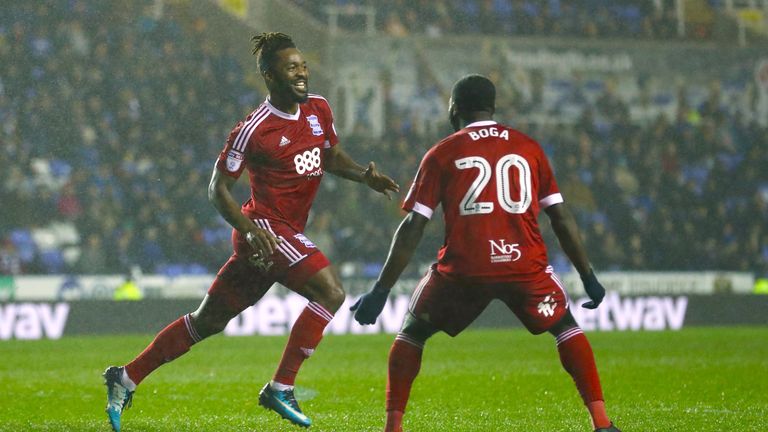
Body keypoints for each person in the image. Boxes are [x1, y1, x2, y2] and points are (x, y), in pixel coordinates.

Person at [103, 32, 399, 431]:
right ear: (269, 76)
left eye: (303, 66)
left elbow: (329, 156)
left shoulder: (318, 109)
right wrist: (247, 228)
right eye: (291, 67)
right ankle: (281, 387)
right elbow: (217, 189)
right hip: (264, 229)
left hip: (283, 231)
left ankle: (125, 377)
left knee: (207, 321)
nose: (301, 73)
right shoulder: (253, 128)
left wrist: (364, 176)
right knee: (331, 292)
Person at [351, 75, 620, 432]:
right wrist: (588, 276)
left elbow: (414, 225)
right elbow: (560, 216)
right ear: (492, 107)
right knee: (565, 326)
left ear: (455, 108)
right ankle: (601, 423)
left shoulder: (442, 152)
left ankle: (393, 426)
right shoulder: (529, 147)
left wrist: (381, 291)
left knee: (413, 333)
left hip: (465, 268)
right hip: (524, 265)